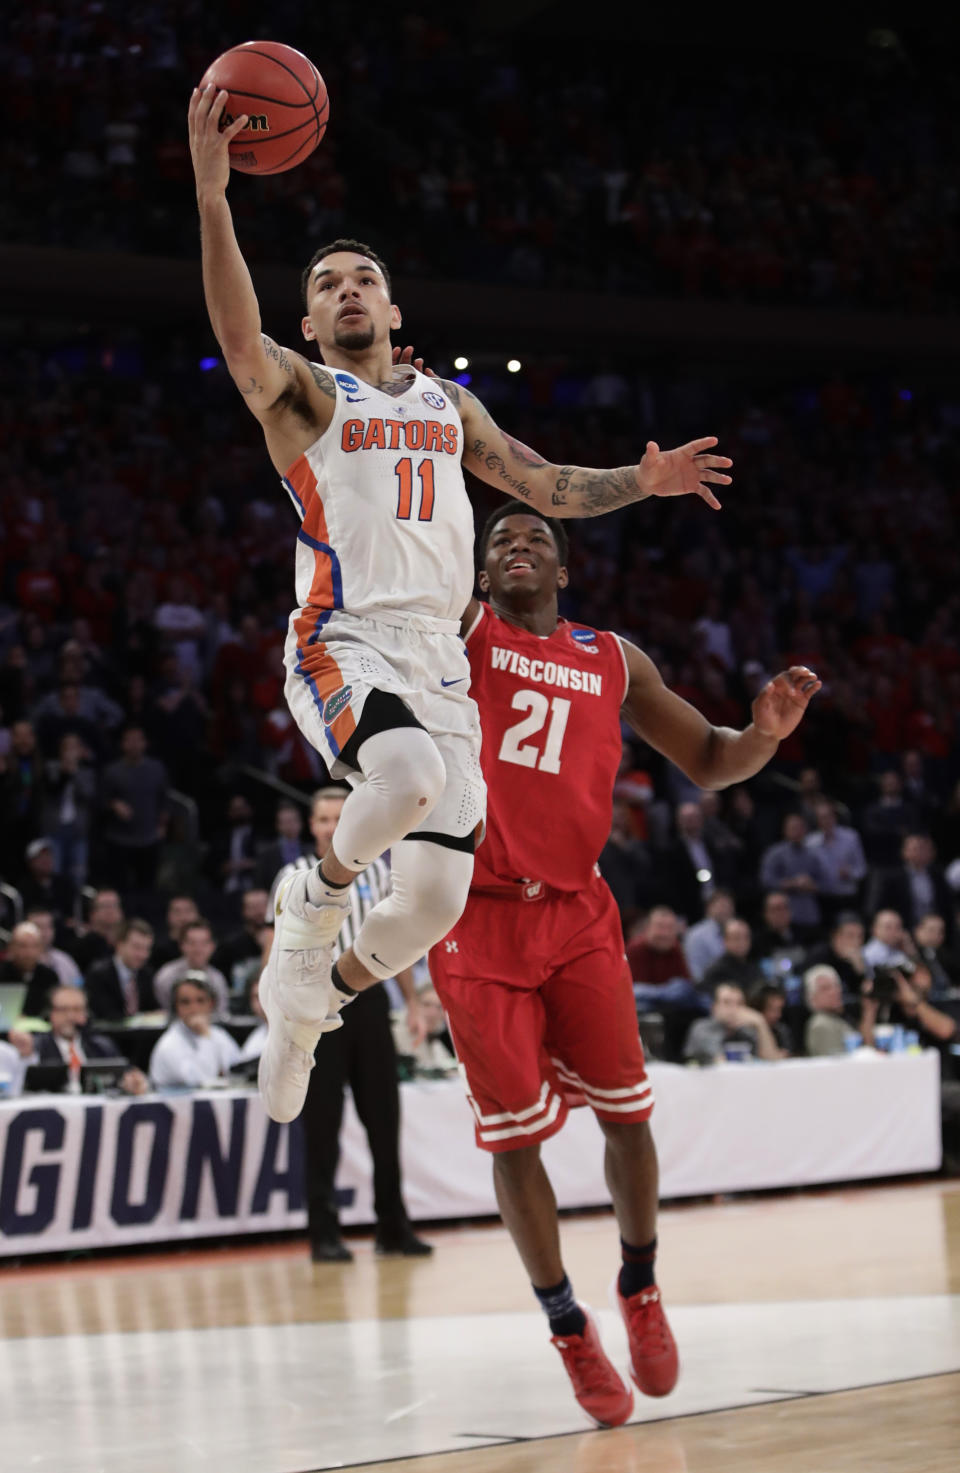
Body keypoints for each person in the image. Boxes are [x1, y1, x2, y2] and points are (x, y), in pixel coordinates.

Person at [188, 85, 733, 1127]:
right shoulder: (305, 395)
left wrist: (642, 480)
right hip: (341, 639)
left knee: (435, 903)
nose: (349, 293)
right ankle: (313, 899)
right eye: (328, 286)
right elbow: (235, 333)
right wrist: (216, 194)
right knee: (405, 777)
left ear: (396, 312)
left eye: (365, 282)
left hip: (438, 658)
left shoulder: (449, 404)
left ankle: (308, 1002)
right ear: (309, 320)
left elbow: (548, 486)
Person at [428, 501, 818, 1428]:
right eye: (499, 543)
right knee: (514, 1138)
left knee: (629, 1114)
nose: (516, 546)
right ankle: (568, 1323)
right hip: (473, 919)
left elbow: (713, 760)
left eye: (536, 541)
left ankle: (639, 1282)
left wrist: (763, 733)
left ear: (563, 572)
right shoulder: (460, 626)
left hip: (576, 913)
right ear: (480, 573)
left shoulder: (612, 658)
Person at [264, 786, 432, 1262]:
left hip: (369, 1003)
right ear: (310, 825)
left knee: (385, 1121)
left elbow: (394, 946)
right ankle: (324, 1233)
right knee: (321, 1125)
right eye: (322, 818)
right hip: (311, 1009)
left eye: (340, 816)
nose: (332, 825)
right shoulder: (291, 876)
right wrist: (277, 1016)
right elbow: (272, 952)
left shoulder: (379, 871)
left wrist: (414, 1005)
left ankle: (393, 1228)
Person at [28, 986, 149, 1094]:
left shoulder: (101, 1046)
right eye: (63, 1009)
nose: (70, 1016)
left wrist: (133, 1083)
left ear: (86, 1014)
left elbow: (124, 1075)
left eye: (77, 1009)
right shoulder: (36, 1046)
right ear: (50, 1014)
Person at [99, 725, 169, 891]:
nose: (134, 744)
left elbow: (164, 799)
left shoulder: (157, 768)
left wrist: (162, 825)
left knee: (147, 887)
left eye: (138, 740)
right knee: (120, 887)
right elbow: (99, 801)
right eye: (129, 740)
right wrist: (114, 804)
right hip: (119, 839)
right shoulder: (112, 771)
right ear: (122, 744)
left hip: (149, 838)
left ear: (145, 743)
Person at [149, 975, 241, 1089]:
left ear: (211, 1004)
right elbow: (204, 1080)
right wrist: (205, 1036)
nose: (194, 1008)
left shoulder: (220, 1036)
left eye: (200, 1000)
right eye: (185, 1002)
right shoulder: (169, 1044)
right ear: (176, 1007)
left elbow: (239, 1074)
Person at [683, 983, 782, 1064]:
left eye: (739, 1003)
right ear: (714, 1007)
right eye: (727, 1002)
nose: (733, 1009)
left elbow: (773, 1060)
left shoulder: (748, 1030)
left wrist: (760, 1023)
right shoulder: (702, 1028)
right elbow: (719, 1062)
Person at [759, 813, 824, 936]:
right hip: (785, 916)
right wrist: (793, 883)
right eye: (793, 828)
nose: (797, 831)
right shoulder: (775, 853)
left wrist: (813, 885)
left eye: (800, 827)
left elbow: (824, 881)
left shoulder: (813, 854)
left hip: (810, 914)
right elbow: (766, 880)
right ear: (785, 830)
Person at [84, 918, 158, 1021]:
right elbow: (106, 1015)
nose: (143, 955)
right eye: (137, 947)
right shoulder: (98, 975)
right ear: (119, 945)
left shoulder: (147, 974)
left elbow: (154, 1011)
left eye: (147, 949)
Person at [152, 920, 230, 1016]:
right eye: (192, 943)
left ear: (212, 946)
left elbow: (221, 1015)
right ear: (182, 945)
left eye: (204, 943)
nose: (198, 949)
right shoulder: (165, 976)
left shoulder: (218, 979)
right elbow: (163, 1013)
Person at [803, 965, 877, 1055]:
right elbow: (836, 1063)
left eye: (836, 985)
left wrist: (869, 1010)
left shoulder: (836, 1019)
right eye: (825, 988)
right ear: (812, 997)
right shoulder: (821, 1025)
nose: (834, 991)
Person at [212, 888, 271, 999]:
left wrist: (268, 946)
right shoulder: (229, 946)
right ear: (244, 911)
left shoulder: (283, 941)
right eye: (253, 907)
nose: (259, 912)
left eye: (263, 906)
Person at [1, 921, 60, 1017]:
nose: (29, 952)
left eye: (34, 946)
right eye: (22, 946)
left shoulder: (50, 976)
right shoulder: (2, 973)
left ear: (41, 948)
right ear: (11, 947)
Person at [701, 917, 765, 997]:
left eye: (746, 937)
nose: (742, 942)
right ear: (725, 941)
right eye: (736, 938)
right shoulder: (716, 971)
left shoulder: (755, 966)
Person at [682, 889, 735, 982]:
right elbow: (696, 974)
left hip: (735, 987)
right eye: (722, 905)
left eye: (729, 905)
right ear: (708, 908)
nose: (726, 910)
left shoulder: (737, 931)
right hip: (708, 988)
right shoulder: (695, 935)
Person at [24, 907, 81, 989]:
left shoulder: (65, 961)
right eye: (38, 926)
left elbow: (79, 987)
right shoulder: (20, 961)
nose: (44, 932)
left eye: (48, 926)